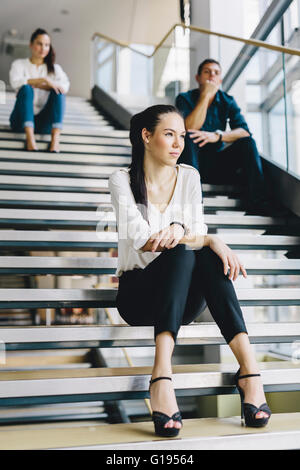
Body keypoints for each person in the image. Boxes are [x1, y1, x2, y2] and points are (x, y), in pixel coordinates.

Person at [108, 104, 271, 438]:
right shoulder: (122, 181)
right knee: (191, 250)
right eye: (169, 134)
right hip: (139, 296)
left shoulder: (190, 177)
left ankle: (249, 369)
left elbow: (196, 229)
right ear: (146, 136)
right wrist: (201, 237)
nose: (178, 143)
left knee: (205, 255)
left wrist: (202, 237)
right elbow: (142, 238)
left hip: (183, 301)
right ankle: (162, 373)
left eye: (181, 136)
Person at [175, 58, 269, 214]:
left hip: (218, 165)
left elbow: (244, 132)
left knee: (248, 143)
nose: (212, 75)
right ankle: (194, 203)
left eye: (216, 73)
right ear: (198, 78)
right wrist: (205, 96)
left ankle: (258, 203)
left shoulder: (227, 100)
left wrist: (217, 136)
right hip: (192, 163)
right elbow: (189, 127)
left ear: (220, 79)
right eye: (207, 72)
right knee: (189, 136)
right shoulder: (184, 98)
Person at [9, 28, 70, 152]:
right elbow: (16, 82)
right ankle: (30, 138)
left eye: (47, 45)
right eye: (39, 44)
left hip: (44, 123)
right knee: (25, 89)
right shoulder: (19, 64)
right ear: (31, 45)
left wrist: (40, 84)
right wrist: (44, 80)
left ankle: (55, 139)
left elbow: (64, 87)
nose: (43, 48)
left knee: (58, 93)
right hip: (20, 121)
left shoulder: (55, 68)